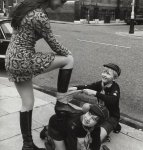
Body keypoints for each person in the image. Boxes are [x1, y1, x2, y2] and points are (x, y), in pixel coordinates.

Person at [5, 0, 76, 150]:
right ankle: (62, 103)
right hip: (23, 59)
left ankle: (28, 145)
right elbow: (53, 43)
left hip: (11, 59)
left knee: (27, 103)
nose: (61, 5)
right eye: (61, 1)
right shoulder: (39, 15)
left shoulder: (26, 8)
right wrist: (68, 52)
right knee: (68, 60)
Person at [69, 63, 121, 142]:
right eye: (104, 72)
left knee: (94, 140)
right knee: (85, 107)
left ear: (114, 78)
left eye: (108, 73)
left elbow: (112, 100)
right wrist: (75, 87)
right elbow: (88, 86)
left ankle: (114, 125)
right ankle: (97, 123)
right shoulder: (101, 84)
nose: (104, 75)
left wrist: (95, 93)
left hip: (111, 116)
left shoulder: (115, 88)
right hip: (99, 111)